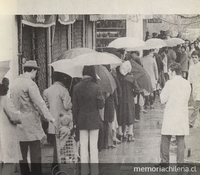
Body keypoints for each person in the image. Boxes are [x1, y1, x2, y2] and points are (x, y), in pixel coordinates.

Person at [10, 60, 54, 175]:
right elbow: (39, 103)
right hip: (31, 123)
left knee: (22, 154)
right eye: (36, 71)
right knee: (35, 153)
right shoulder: (30, 84)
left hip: (18, 122)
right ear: (33, 70)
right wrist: (49, 117)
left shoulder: (14, 83)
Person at [72, 65, 104, 175]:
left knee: (83, 147)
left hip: (81, 121)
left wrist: (75, 121)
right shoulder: (96, 87)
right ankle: (95, 172)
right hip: (94, 121)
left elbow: (75, 108)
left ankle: (84, 172)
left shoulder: (76, 87)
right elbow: (100, 105)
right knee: (93, 147)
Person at [160, 63, 191, 164]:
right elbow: (188, 98)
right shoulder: (187, 83)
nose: (168, 74)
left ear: (173, 72)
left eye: (169, 72)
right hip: (182, 114)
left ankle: (165, 162)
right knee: (180, 139)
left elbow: (162, 99)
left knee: (165, 137)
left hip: (171, 113)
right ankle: (180, 163)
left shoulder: (169, 83)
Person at [43, 71, 72, 168]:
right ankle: (60, 162)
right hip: (63, 120)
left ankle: (55, 162)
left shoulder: (47, 91)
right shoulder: (64, 90)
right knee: (63, 142)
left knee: (56, 142)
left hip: (53, 120)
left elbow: (46, 106)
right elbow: (67, 106)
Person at [0, 79, 22, 175]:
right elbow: (15, 117)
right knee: (9, 160)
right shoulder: (5, 100)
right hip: (6, 134)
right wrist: (19, 113)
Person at [188, 51, 200, 128]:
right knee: (198, 106)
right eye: (193, 57)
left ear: (199, 58)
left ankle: (191, 123)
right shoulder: (191, 67)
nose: (194, 59)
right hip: (195, 89)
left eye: (196, 57)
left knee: (196, 106)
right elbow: (190, 80)